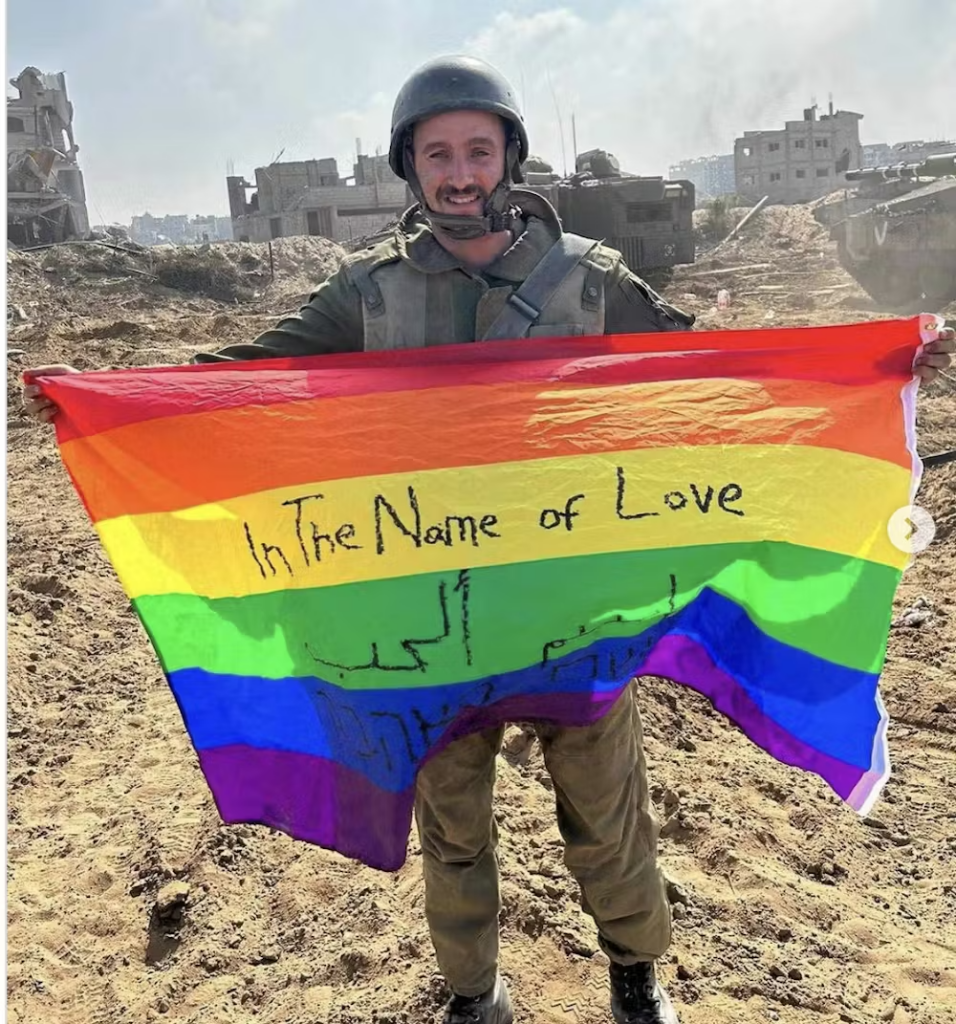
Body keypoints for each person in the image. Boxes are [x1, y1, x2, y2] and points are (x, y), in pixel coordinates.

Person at [21, 55, 955, 1024]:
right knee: (453, 826)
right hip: (425, 621)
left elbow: (709, 376)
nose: (458, 172)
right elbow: (246, 378)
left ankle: (635, 975)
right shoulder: (366, 296)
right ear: (410, 167)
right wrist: (98, 399)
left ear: (506, 156)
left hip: (576, 608)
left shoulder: (588, 282)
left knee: (605, 815)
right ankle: (474, 993)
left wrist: (876, 362)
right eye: (437, 154)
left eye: (476, 149)